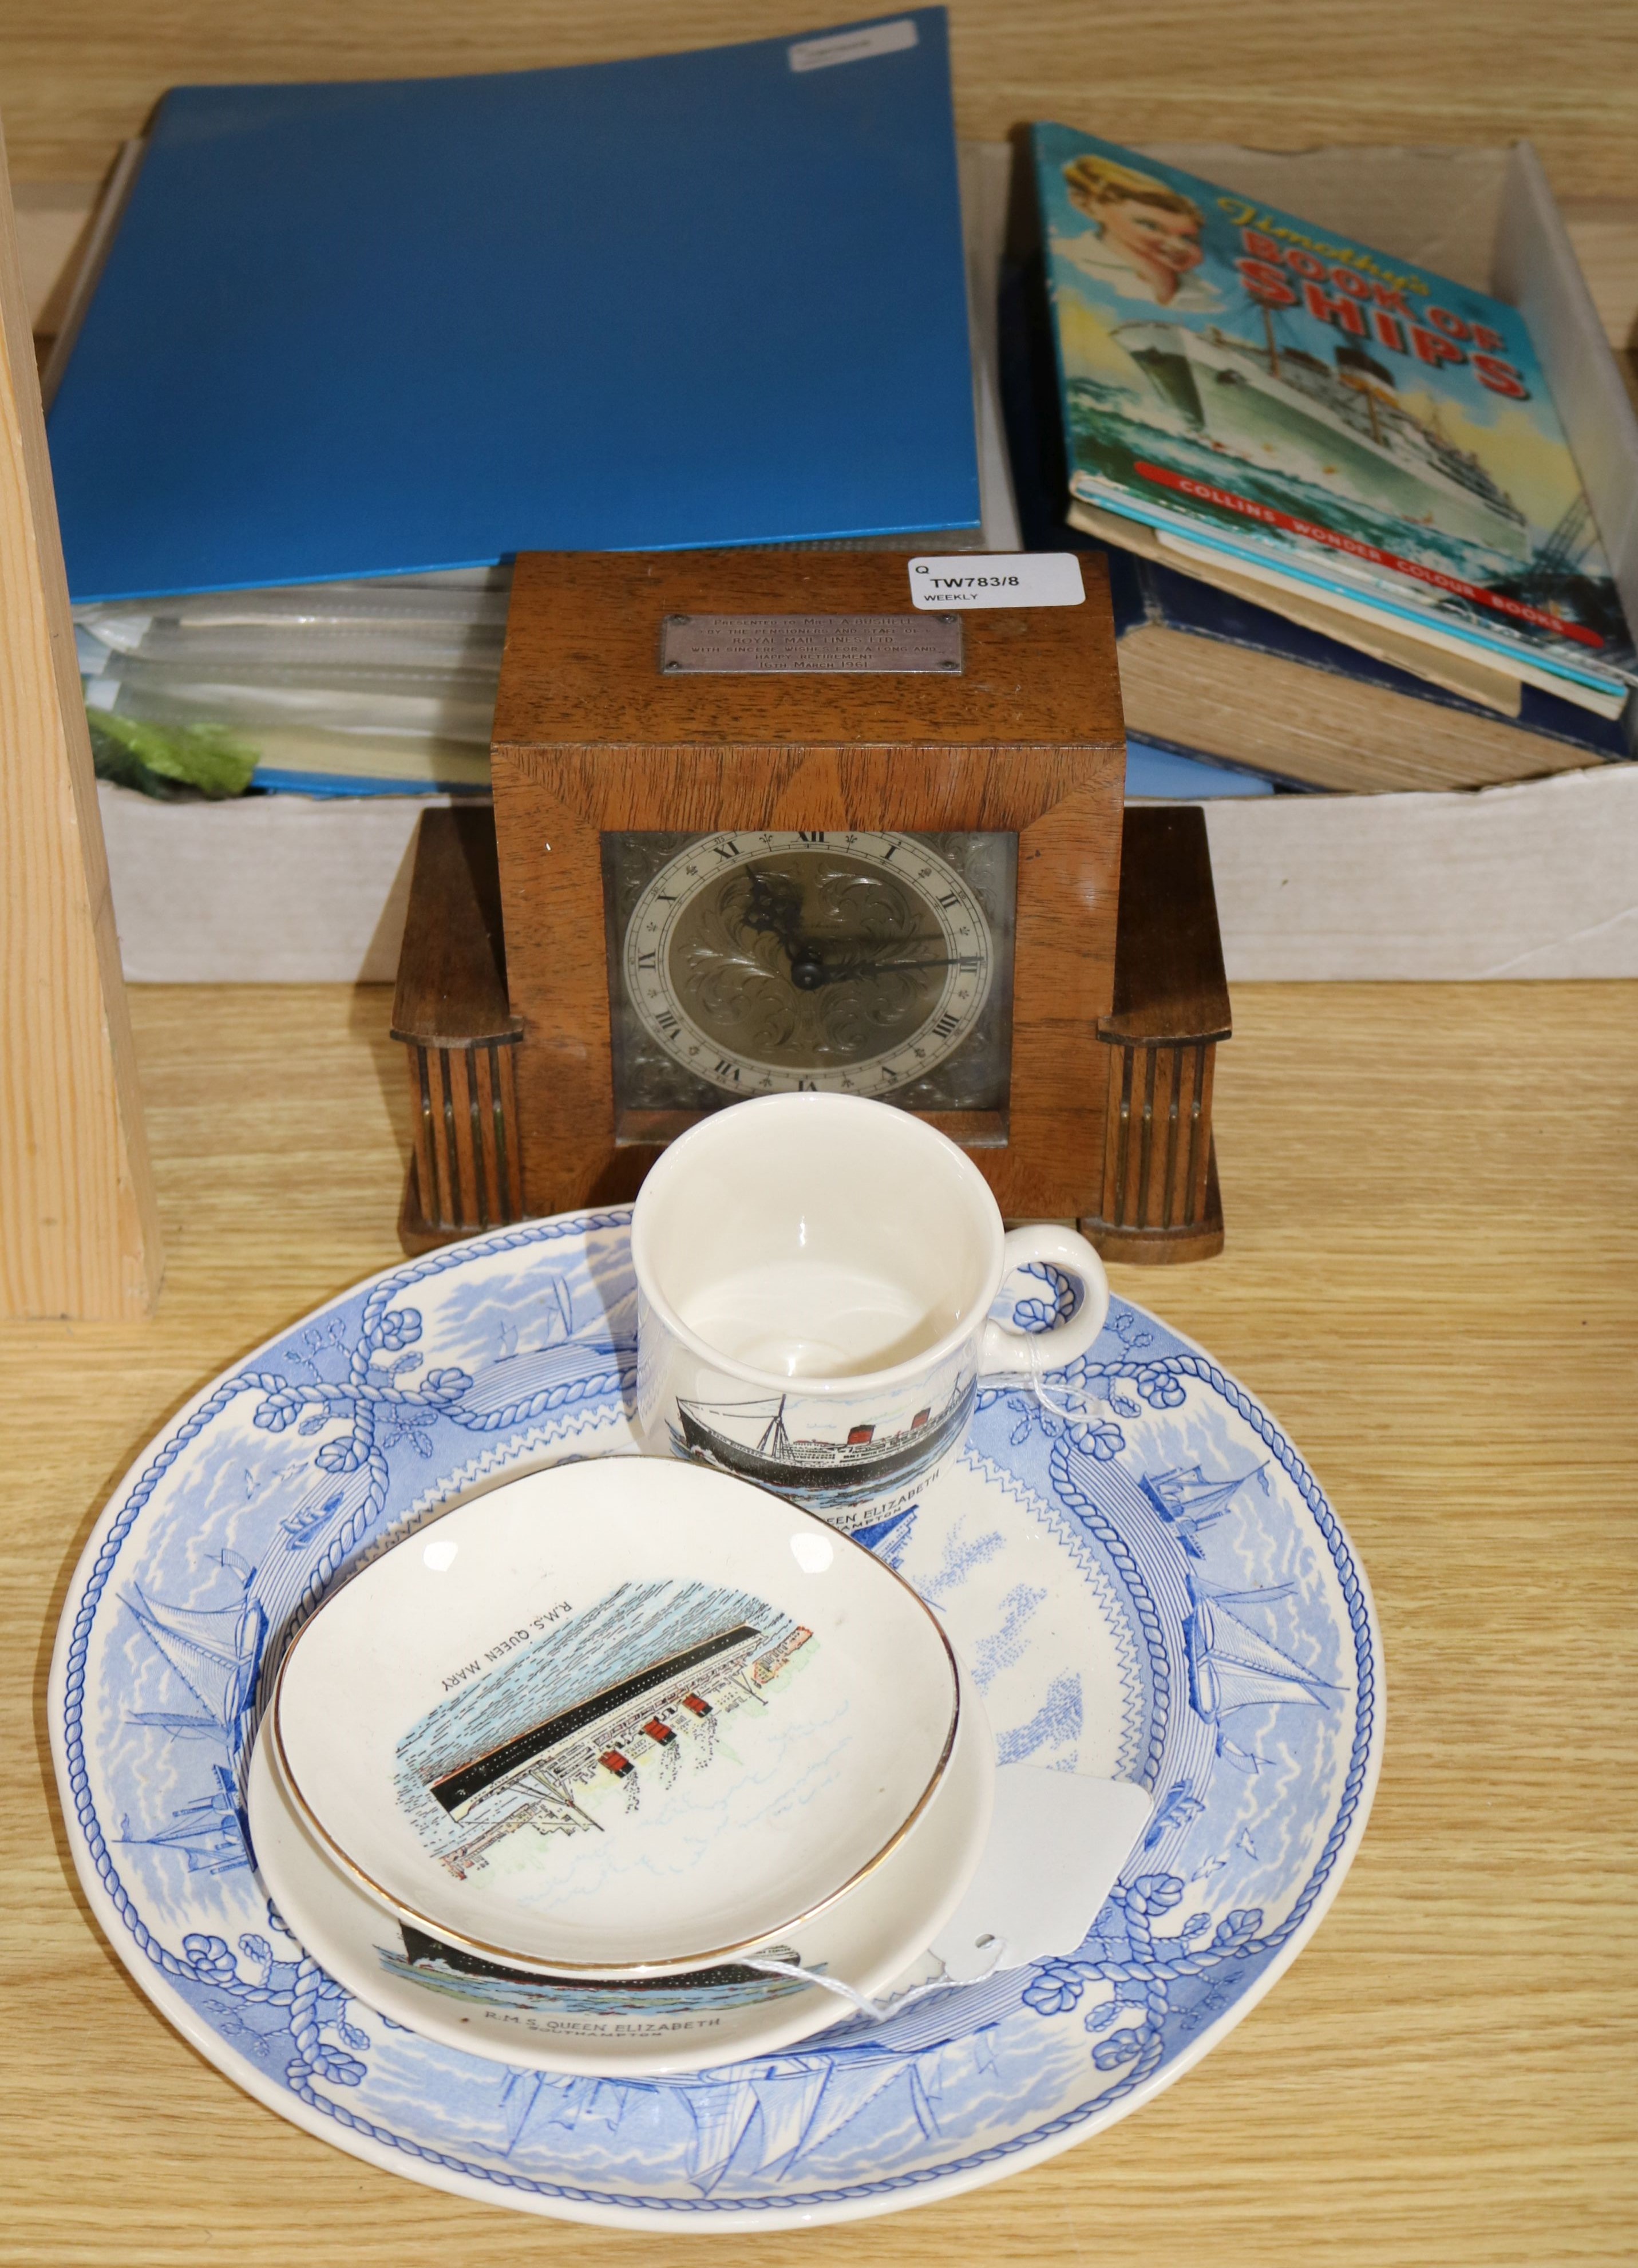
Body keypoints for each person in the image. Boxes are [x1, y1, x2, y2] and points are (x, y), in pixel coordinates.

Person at [1058, 153, 1219, 312]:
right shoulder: (1068, 262)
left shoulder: (1209, 295)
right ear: (1090, 207)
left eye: (1189, 238)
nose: (1178, 246)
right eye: (1150, 226)